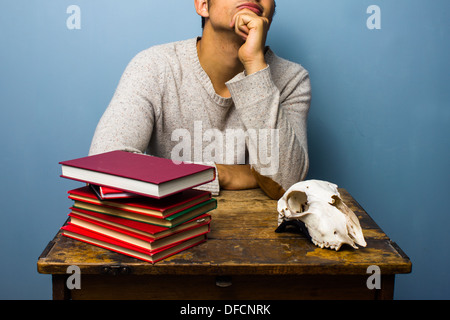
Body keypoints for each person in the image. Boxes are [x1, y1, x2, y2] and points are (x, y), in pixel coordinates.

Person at [89, 0, 311, 200]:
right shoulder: (154, 66)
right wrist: (220, 174)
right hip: (170, 229)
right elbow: (105, 165)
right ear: (203, 5)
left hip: (258, 234)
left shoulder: (292, 79)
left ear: (269, 16)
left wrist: (254, 64)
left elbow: (285, 182)